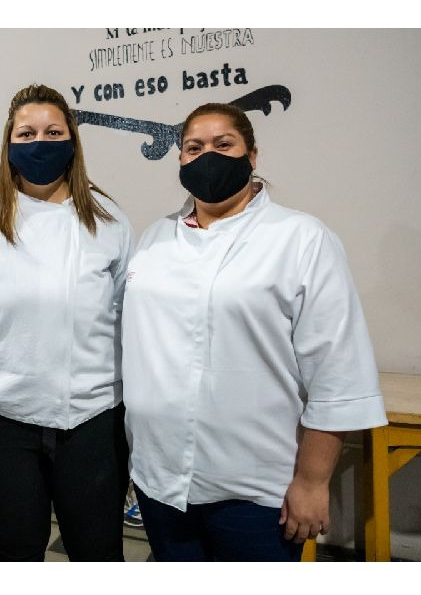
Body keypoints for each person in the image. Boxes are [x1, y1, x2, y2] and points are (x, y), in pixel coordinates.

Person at [121, 103, 388, 562]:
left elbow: (337, 370)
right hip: (159, 480)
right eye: (194, 148)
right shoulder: (154, 238)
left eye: (223, 144)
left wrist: (313, 481)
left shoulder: (301, 237)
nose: (208, 156)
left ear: (252, 154)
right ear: (180, 159)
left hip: (257, 491)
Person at [0, 84, 134, 561]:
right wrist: (0, 365)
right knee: (17, 550)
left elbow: (127, 315)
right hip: (1, 418)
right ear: (8, 143)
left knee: (98, 554)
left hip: (91, 420)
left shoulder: (109, 220)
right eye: (26, 134)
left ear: (72, 140)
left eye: (53, 132)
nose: (40, 143)